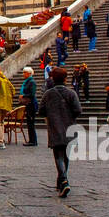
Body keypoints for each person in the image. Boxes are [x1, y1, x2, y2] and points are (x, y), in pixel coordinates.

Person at [40, 66, 81, 198]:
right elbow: (78, 110)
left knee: (58, 155)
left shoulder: (48, 94)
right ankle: (62, 180)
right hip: (69, 127)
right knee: (66, 155)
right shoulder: (71, 93)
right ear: (65, 79)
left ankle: (62, 180)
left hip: (55, 127)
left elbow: (41, 111)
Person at [20, 66, 39, 146]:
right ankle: (31, 139)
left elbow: (32, 94)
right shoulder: (28, 82)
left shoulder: (31, 82)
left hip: (31, 104)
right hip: (28, 104)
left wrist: (23, 96)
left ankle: (33, 141)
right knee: (29, 123)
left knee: (31, 123)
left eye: (25, 72)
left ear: (29, 73)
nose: (23, 74)